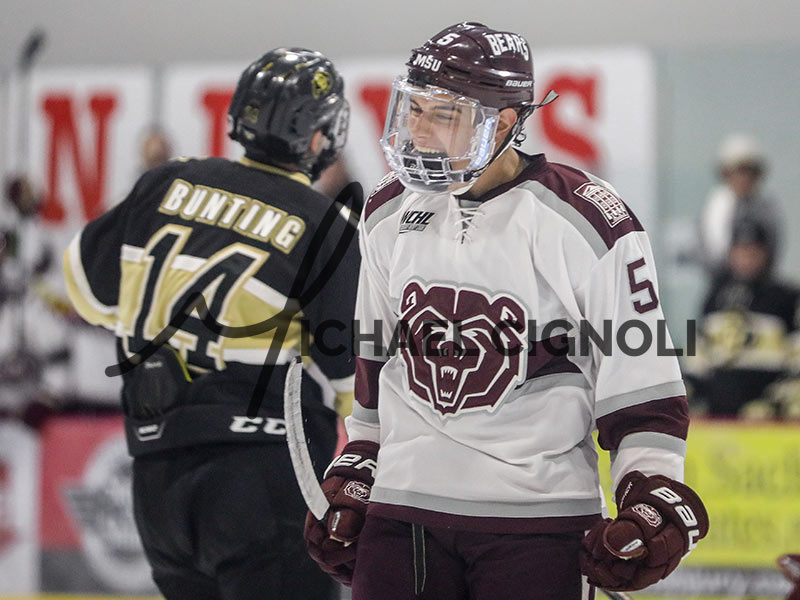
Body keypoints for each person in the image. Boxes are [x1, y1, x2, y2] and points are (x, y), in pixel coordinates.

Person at [304, 22, 708, 599]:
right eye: (413, 109)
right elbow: (377, 366)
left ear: (504, 122)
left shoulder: (585, 220)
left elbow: (640, 386)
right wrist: (360, 462)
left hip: (537, 524)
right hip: (403, 515)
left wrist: (650, 492)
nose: (418, 130)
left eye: (444, 114)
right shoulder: (387, 210)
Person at [63, 48, 358, 600]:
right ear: (318, 134)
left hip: (157, 484)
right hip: (263, 478)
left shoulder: (164, 183)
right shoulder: (325, 223)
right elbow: (356, 383)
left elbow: (84, 288)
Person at [685, 218, 800, 418]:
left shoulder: (785, 298)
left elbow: (796, 363)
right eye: (740, 251)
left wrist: (774, 404)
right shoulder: (714, 295)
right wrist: (690, 392)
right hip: (717, 413)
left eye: (753, 252)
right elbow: (697, 354)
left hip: (767, 416)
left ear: (766, 254)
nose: (746, 258)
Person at [698, 134, 780, 276]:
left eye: (750, 171)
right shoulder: (714, 209)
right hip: (722, 279)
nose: (744, 178)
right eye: (739, 171)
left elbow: (773, 245)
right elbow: (706, 251)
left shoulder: (766, 208)